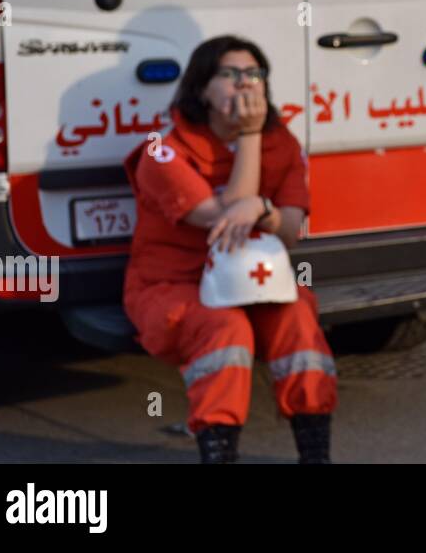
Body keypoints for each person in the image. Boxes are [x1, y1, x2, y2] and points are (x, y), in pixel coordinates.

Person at [123, 36, 337, 464]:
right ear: (201, 88)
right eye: (230, 74)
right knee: (226, 330)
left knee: (297, 319)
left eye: (254, 74)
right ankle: (219, 452)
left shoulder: (284, 144)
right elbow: (226, 221)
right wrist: (252, 138)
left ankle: (315, 451)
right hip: (174, 285)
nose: (245, 84)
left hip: (254, 281)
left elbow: (290, 231)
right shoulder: (163, 151)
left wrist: (265, 208)